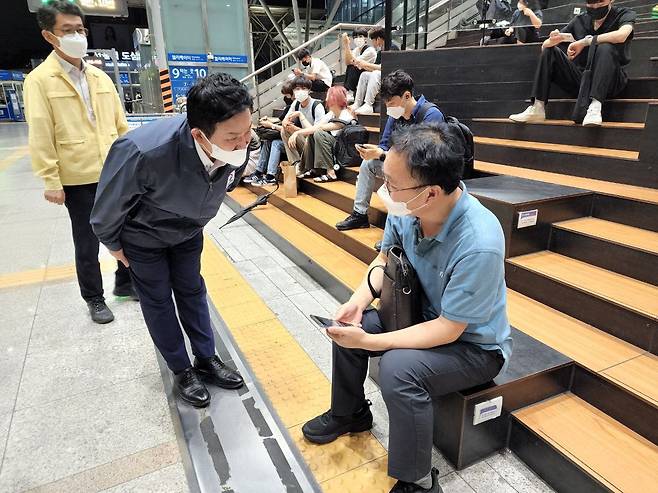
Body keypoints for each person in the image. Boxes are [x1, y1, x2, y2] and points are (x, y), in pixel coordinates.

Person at [304, 123, 512, 493]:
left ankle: (417, 480)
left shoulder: (479, 241)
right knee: (350, 326)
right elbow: (385, 259)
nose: (384, 191)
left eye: (391, 184)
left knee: (398, 369)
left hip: (473, 346)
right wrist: (357, 301)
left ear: (430, 193)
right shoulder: (407, 209)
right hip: (420, 316)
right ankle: (350, 413)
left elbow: (449, 330)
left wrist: (372, 343)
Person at [90, 73, 250, 407]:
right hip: (144, 238)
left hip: (189, 231)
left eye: (247, 131)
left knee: (193, 290)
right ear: (198, 135)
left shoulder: (238, 142)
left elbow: (227, 178)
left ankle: (206, 358)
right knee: (158, 299)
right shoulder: (143, 152)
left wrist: (237, 145)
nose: (244, 142)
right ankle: (181, 369)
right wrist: (115, 246)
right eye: (234, 137)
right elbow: (106, 208)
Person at [24, 0, 135, 325]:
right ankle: (94, 298)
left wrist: (131, 161)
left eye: (80, 29)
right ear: (49, 36)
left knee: (126, 231)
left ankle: (126, 283)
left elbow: (120, 124)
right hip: (76, 176)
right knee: (87, 242)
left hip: (113, 171)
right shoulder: (40, 81)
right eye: (67, 30)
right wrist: (50, 179)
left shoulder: (100, 77)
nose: (77, 35)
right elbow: (40, 133)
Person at [337, 70, 444, 231]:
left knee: (398, 178)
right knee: (369, 164)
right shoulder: (395, 116)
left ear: (407, 96)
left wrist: (383, 155)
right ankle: (360, 215)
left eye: (392, 103)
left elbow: (424, 159)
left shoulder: (431, 115)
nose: (389, 108)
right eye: (386, 104)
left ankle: (396, 232)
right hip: (403, 169)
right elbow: (384, 146)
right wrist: (375, 152)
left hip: (425, 173)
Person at [509, 0, 636, 127]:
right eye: (591, 3)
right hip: (582, 81)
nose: (595, 6)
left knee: (605, 47)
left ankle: (596, 107)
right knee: (549, 51)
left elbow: (622, 35)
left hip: (611, 81)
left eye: (600, 2)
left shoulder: (624, 13)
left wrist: (584, 42)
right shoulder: (579, 20)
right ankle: (537, 107)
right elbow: (545, 47)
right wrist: (552, 40)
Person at [296, 85, 354, 182]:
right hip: (336, 145)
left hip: (344, 149)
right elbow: (314, 127)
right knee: (312, 134)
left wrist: (297, 132)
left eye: (328, 95)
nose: (326, 98)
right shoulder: (331, 113)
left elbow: (321, 127)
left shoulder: (346, 115)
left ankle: (331, 173)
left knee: (319, 133)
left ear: (335, 98)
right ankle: (313, 169)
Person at [244, 82, 295, 185]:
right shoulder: (292, 106)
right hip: (287, 137)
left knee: (276, 143)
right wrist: (268, 121)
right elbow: (281, 120)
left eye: (287, 94)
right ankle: (258, 172)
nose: (286, 97)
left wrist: (271, 125)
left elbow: (289, 129)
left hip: (295, 138)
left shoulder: (297, 107)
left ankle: (271, 176)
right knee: (268, 141)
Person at [352, 27, 401, 115]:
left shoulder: (392, 47)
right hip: (382, 75)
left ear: (378, 39)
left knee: (375, 73)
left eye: (372, 40)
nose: (372, 42)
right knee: (364, 74)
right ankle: (357, 103)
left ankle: (368, 104)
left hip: (392, 76)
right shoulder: (379, 52)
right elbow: (375, 67)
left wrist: (366, 64)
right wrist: (363, 65)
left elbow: (385, 67)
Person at [280, 76, 326, 169]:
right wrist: (286, 123)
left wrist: (297, 128)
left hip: (315, 144)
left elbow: (317, 132)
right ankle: (296, 163)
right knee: (284, 130)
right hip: (303, 140)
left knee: (291, 132)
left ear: (309, 90)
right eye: (297, 89)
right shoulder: (296, 103)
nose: (300, 91)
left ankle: (302, 165)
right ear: (293, 91)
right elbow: (285, 120)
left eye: (304, 88)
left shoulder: (317, 106)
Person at [341, 27, 378, 99]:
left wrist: (347, 45)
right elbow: (348, 62)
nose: (358, 39)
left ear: (365, 38)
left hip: (369, 71)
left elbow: (355, 62)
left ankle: (350, 91)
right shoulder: (356, 50)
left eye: (360, 36)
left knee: (353, 67)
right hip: (360, 71)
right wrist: (346, 45)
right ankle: (347, 91)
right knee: (350, 66)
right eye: (355, 37)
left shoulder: (370, 50)